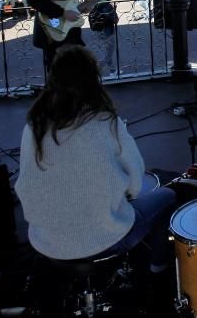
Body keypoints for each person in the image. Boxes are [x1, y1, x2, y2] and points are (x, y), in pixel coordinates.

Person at [14, 46, 176, 274]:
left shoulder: (33, 128)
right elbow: (135, 182)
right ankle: (157, 270)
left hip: (46, 242)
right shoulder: (105, 121)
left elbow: (27, 185)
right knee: (168, 197)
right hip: (105, 239)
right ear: (93, 81)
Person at [88, 0, 120, 77]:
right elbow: (115, 20)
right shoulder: (108, 6)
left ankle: (113, 71)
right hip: (108, 32)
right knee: (109, 54)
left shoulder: (96, 5)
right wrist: (114, 10)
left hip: (98, 31)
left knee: (107, 52)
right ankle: (95, 69)